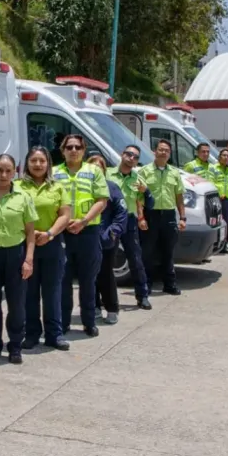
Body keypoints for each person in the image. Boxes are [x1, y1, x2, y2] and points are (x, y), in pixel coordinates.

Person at [0, 154, 38, 364]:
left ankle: (15, 345)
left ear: (15, 172)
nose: (4, 175)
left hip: (15, 254)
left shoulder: (23, 197)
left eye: (8, 170)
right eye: (0, 170)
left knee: (16, 304)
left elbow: (30, 232)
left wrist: (28, 260)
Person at [16, 147, 72, 351]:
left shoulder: (57, 187)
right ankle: (31, 334)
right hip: (25, 246)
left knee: (53, 291)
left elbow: (65, 215)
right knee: (29, 293)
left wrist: (49, 234)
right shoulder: (17, 187)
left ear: (48, 163)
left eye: (42, 161)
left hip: (52, 244)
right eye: (33, 161)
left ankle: (54, 334)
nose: (38, 164)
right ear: (27, 163)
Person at [53, 135, 109, 337]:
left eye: (78, 147)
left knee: (88, 280)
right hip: (62, 233)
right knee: (63, 280)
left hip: (88, 232)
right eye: (69, 147)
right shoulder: (54, 173)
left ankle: (88, 322)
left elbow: (101, 200)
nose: (73, 150)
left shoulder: (94, 171)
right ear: (63, 150)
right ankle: (64, 323)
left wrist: (83, 221)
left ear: (84, 150)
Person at [105, 144, 154, 310]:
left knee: (136, 259)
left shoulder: (138, 178)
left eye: (135, 157)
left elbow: (148, 202)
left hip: (129, 221)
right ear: (122, 154)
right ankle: (103, 298)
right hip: (110, 221)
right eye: (129, 154)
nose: (131, 158)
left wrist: (145, 191)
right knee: (105, 260)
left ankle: (142, 296)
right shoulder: (107, 173)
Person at [138, 139, 186, 296]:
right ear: (155, 151)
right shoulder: (144, 171)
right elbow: (138, 197)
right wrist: (141, 217)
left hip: (169, 215)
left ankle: (169, 284)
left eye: (166, 150)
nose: (163, 152)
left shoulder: (174, 172)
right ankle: (147, 285)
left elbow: (179, 196)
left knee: (168, 252)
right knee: (148, 252)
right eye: (160, 149)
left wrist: (183, 217)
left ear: (169, 154)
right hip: (150, 215)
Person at [87, 155, 127, 325]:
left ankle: (111, 308)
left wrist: (113, 231)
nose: (97, 170)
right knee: (89, 276)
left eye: (100, 167)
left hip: (106, 240)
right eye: (93, 168)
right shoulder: (83, 188)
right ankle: (93, 307)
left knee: (105, 275)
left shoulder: (112, 187)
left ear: (104, 170)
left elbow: (121, 212)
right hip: (87, 239)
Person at [210, 148, 228, 255]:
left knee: (225, 223)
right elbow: (211, 183)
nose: (226, 157)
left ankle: (224, 245)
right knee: (215, 222)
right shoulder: (213, 168)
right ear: (219, 157)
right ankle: (214, 246)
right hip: (216, 199)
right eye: (224, 155)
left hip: (226, 200)